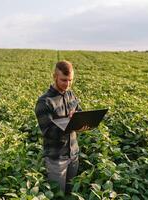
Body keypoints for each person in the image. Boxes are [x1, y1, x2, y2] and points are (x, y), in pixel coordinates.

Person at [35, 60, 86, 195]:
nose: (68, 84)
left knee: (70, 192)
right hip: (56, 158)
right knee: (57, 194)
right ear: (54, 77)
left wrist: (82, 123)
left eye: (70, 80)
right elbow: (48, 132)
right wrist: (70, 123)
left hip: (73, 154)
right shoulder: (44, 102)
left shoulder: (71, 94)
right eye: (64, 80)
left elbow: (80, 113)